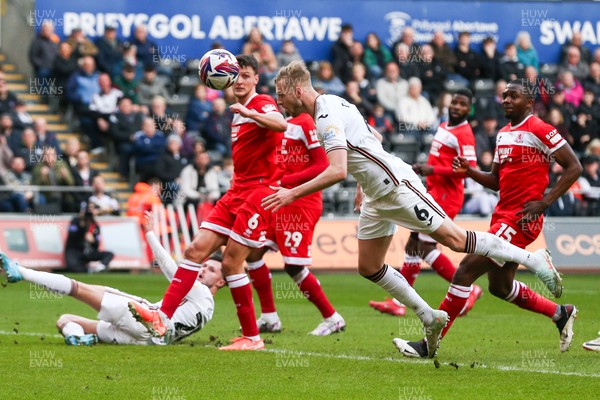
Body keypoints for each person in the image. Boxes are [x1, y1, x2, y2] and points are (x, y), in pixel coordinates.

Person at [263, 61, 564, 359]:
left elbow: (338, 170)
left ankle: (532, 258)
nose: (279, 101)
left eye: (280, 94)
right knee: (369, 266)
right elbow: (373, 139)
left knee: (455, 241)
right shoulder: (332, 104)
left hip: (396, 186)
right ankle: (429, 316)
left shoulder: (326, 114)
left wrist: (292, 193)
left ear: (298, 89)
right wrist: (361, 183)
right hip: (375, 194)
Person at [393, 79, 582, 359]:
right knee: (500, 287)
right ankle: (559, 313)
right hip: (502, 215)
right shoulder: (503, 134)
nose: (506, 100)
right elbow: (495, 181)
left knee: (465, 271)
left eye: (513, 96)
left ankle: (429, 342)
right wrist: (469, 171)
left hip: (521, 219)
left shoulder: (540, 129)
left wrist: (545, 202)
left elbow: (574, 167)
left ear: (529, 102)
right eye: (504, 96)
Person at [129, 55, 287, 351]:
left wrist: (252, 113)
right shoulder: (236, 111)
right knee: (193, 250)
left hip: (258, 194)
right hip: (236, 191)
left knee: (231, 263)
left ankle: (253, 337)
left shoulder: (260, 102)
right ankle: (162, 316)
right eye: (235, 75)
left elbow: (280, 123)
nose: (239, 80)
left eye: (245, 75)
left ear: (256, 79)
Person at [0, 211, 225, 346]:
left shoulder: (202, 292)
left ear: (220, 283)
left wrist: (149, 233)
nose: (203, 270)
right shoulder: (209, 310)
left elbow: (171, 270)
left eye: (211, 270)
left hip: (143, 318)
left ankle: (22, 272)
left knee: (80, 288)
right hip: (145, 341)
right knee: (65, 320)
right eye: (204, 266)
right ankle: (77, 339)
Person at [369, 89, 482, 317]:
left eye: (463, 104)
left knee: (425, 246)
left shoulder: (464, 133)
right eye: (455, 102)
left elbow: (468, 169)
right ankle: (398, 301)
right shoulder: (444, 125)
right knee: (413, 244)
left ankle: (469, 289)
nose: (457, 107)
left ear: (469, 109)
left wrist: (433, 169)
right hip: (432, 192)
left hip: (447, 197)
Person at [242, 112, 344, 336]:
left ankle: (332, 318)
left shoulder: (306, 122)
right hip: (280, 198)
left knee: (293, 266)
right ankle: (269, 317)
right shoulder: (281, 122)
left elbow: (322, 165)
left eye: (282, 92)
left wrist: (287, 181)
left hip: (301, 201)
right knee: (253, 253)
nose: (279, 98)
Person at [64, 201, 114, 273]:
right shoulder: (76, 221)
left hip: (89, 253)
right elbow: (71, 236)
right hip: (76, 251)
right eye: (89, 208)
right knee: (74, 267)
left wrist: (93, 241)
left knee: (109, 254)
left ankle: (99, 268)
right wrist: (81, 227)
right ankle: (88, 269)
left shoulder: (95, 225)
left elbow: (97, 245)